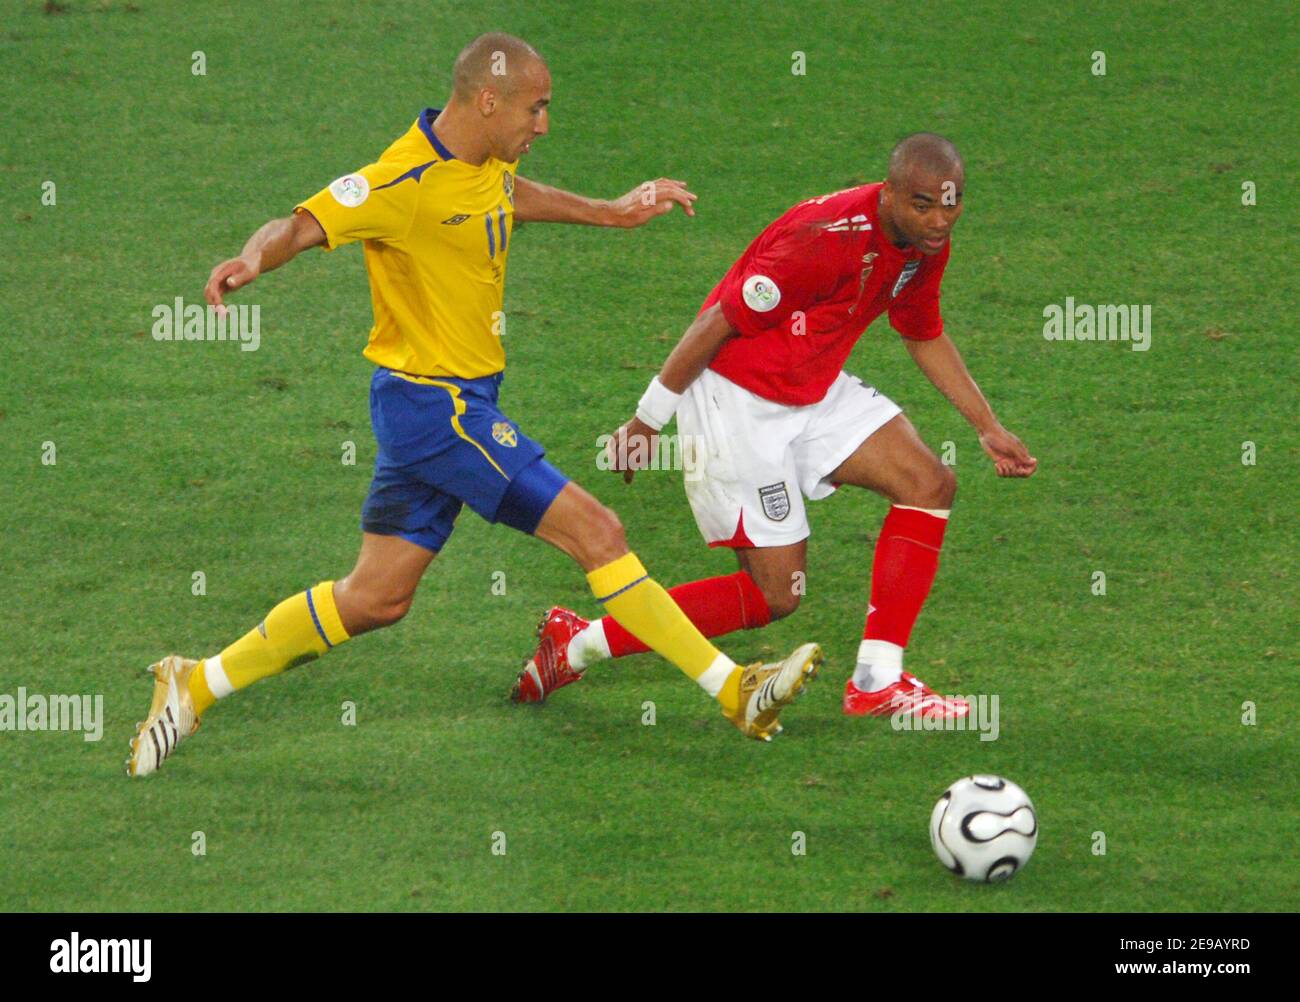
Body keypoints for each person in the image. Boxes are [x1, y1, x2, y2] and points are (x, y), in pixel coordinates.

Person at [127, 33, 823, 778]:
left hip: (436, 402)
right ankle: (732, 689)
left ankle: (194, 681)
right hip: (439, 408)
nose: (544, 126)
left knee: (376, 598)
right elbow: (298, 225)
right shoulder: (401, 180)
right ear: (487, 101)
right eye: (537, 108)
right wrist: (251, 259)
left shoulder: (489, 160)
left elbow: (506, 197)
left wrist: (610, 212)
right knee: (598, 530)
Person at [515, 133, 1036, 720]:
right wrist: (645, 422)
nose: (941, 219)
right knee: (774, 594)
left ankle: (877, 682)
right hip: (736, 399)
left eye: (953, 201)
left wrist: (986, 425)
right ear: (887, 193)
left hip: (812, 385)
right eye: (924, 204)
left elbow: (921, 330)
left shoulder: (924, 242)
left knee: (929, 483)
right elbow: (715, 321)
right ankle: (578, 643)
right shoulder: (819, 241)